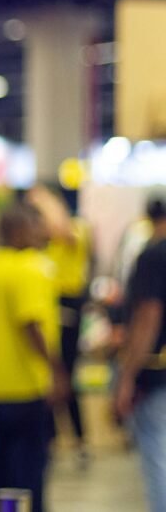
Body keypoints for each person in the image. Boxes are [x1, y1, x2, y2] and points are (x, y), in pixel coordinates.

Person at [0, 202, 66, 512]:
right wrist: (56, 370)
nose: (40, 232)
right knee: (29, 465)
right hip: (25, 384)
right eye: (35, 225)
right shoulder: (30, 267)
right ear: (19, 230)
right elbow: (31, 324)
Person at [27, 184, 92, 466]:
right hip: (46, 307)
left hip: (68, 306)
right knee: (47, 376)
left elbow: (62, 231)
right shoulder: (40, 241)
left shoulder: (76, 229)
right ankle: (50, 440)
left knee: (66, 375)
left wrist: (45, 200)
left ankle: (80, 441)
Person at [114, 197, 166, 512]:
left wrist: (127, 376)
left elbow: (148, 318)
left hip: (157, 373)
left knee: (158, 455)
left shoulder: (154, 256)